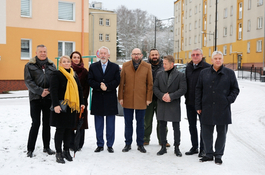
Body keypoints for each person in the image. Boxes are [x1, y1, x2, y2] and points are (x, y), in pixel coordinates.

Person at [195, 51, 239, 165]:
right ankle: (208, 154)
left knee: (221, 133)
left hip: (222, 108)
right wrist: (198, 105)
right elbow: (198, 89)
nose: (218, 60)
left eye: (220, 58)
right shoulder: (204, 73)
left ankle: (218, 155)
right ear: (212, 60)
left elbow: (235, 89)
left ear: (223, 60)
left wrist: (228, 100)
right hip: (206, 107)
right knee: (206, 133)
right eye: (216, 58)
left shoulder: (229, 73)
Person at [50, 55, 85, 164]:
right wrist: (55, 105)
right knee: (60, 130)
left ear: (70, 63)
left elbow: (79, 90)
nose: (66, 63)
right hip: (61, 106)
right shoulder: (56, 74)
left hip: (71, 107)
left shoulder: (73, 75)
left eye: (68, 61)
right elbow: (53, 91)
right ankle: (58, 152)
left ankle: (66, 150)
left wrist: (82, 103)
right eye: (64, 61)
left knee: (69, 130)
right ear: (60, 64)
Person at [118, 48, 153, 153]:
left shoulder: (147, 66)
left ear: (142, 55)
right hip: (128, 99)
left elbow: (150, 84)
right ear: (131, 55)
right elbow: (121, 83)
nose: (136, 56)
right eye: (134, 54)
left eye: (138, 54)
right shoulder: (125, 66)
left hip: (141, 99)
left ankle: (140, 144)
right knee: (128, 123)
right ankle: (127, 144)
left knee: (141, 123)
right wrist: (120, 97)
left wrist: (148, 98)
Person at [24, 44, 56, 158]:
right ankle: (30, 149)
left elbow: (55, 81)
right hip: (35, 99)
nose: (43, 53)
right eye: (41, 51)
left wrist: (49, 91)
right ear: (36, 53)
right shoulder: (29, 65)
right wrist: (40, 91)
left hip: (48, 98)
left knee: (47, 124)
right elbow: (28, 82)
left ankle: (46, 147)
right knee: (36, 123)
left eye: (44, 51)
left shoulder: (52, 65)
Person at [88, 46, 120, 153]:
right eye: (101, 53)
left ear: (108, 55)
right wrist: (99, 86)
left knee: (110, 124)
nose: (103, 55)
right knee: (99, 124)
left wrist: (107, 86)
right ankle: (100, 144)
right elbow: (90, 80)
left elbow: (117, 81)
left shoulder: (115, 67)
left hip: (110, 99)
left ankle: (110, 145)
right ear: (99, 55)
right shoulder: (93, 66)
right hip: (98, 99)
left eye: (105, 53)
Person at [153, 55, 187, 157]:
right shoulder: (159, 74)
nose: (163, 65)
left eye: (165, 64)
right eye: (163, 63)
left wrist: (171, 96)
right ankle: (163, 146)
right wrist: (162, 96)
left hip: (174, 104)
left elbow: (183, 89)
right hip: (162, 103)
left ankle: (177, 147)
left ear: (172, 64)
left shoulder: (180, 75)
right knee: (162, 126)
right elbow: (155, 88)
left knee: (176, 127)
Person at [185, 48, 211, 157]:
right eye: (193, 55)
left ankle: (203, 148)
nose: (195, 56)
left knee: (203, 126)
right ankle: (194, 146)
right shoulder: (188, 67)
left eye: (197, 54)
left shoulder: (207, 68)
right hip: (190, 102)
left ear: (202, 55)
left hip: (202, 103)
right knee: (192, 125)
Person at [143, 49, 170, 147]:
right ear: (149, 56)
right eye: (152, 55)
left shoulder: (165, 66)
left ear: (159, 55)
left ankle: (163, 140)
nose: (154, 56)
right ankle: (145, 139)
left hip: (161, 99)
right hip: (148, 99)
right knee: (147, 121)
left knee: (162, 121)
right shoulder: (145, 66)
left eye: (156, 54)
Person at [69, 51, 89, 151]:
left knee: (81, 122)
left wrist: (82, 98)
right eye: (74, 57)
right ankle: (71, 143)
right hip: (71, 101)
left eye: (78, 57)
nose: (76, 59)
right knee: (71, 122)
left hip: (82, 101)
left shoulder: (85, 71)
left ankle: (80, 144)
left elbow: (86, 86)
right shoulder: (68, 70)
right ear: (71, 59)